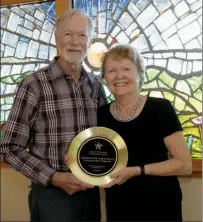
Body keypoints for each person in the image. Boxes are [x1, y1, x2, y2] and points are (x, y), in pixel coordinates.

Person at [0, 9, 107, 222]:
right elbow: (9, 147)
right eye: (67, 34)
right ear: (56, 39)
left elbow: (106, 137)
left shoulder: (95, 85)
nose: (75, 41)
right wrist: (55, 177)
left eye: (82, 35)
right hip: (51, 195)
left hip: (91, 194)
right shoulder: (34, 84)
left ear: (89, 41)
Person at [66, 44, 192, 221]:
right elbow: (97, 159)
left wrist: (137, 171)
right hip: (119, 206)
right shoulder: (100, 114)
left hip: (160, 205)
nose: (119, 76)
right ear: (104, 78)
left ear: (139, 74)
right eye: (111, 70)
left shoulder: (161, 109)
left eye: (126, 68)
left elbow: (185, 165)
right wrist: (78, 162)